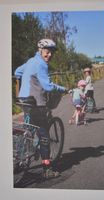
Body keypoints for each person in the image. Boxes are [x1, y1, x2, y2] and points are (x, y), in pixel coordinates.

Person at [14, 38, 66, 178]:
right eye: (47, 52)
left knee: (29, 129)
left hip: (24, 101)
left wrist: (25, 85)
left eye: (51, 53)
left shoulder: (31, 61)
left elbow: (17, 72)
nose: (49, 55)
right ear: (40, 50)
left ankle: (19, 159)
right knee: (44, 136)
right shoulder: (41, 64)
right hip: (36, 103)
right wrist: (62, 88)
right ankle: (47, 169)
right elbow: (48, 86)